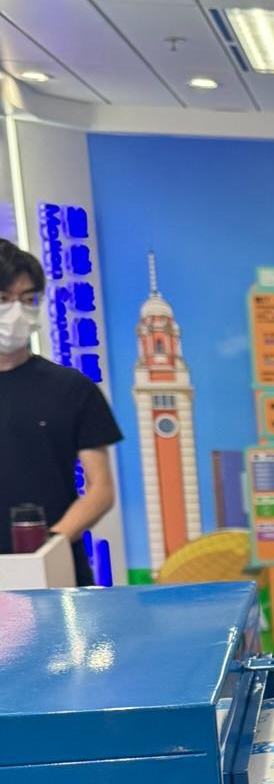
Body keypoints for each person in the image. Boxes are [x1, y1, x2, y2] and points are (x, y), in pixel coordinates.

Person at [0, 239, 121, 585]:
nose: (16, 311)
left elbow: (101, 489)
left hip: (55, 574)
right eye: (4, 299)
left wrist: (50, 544)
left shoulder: (71, 388)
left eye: (27, 299)